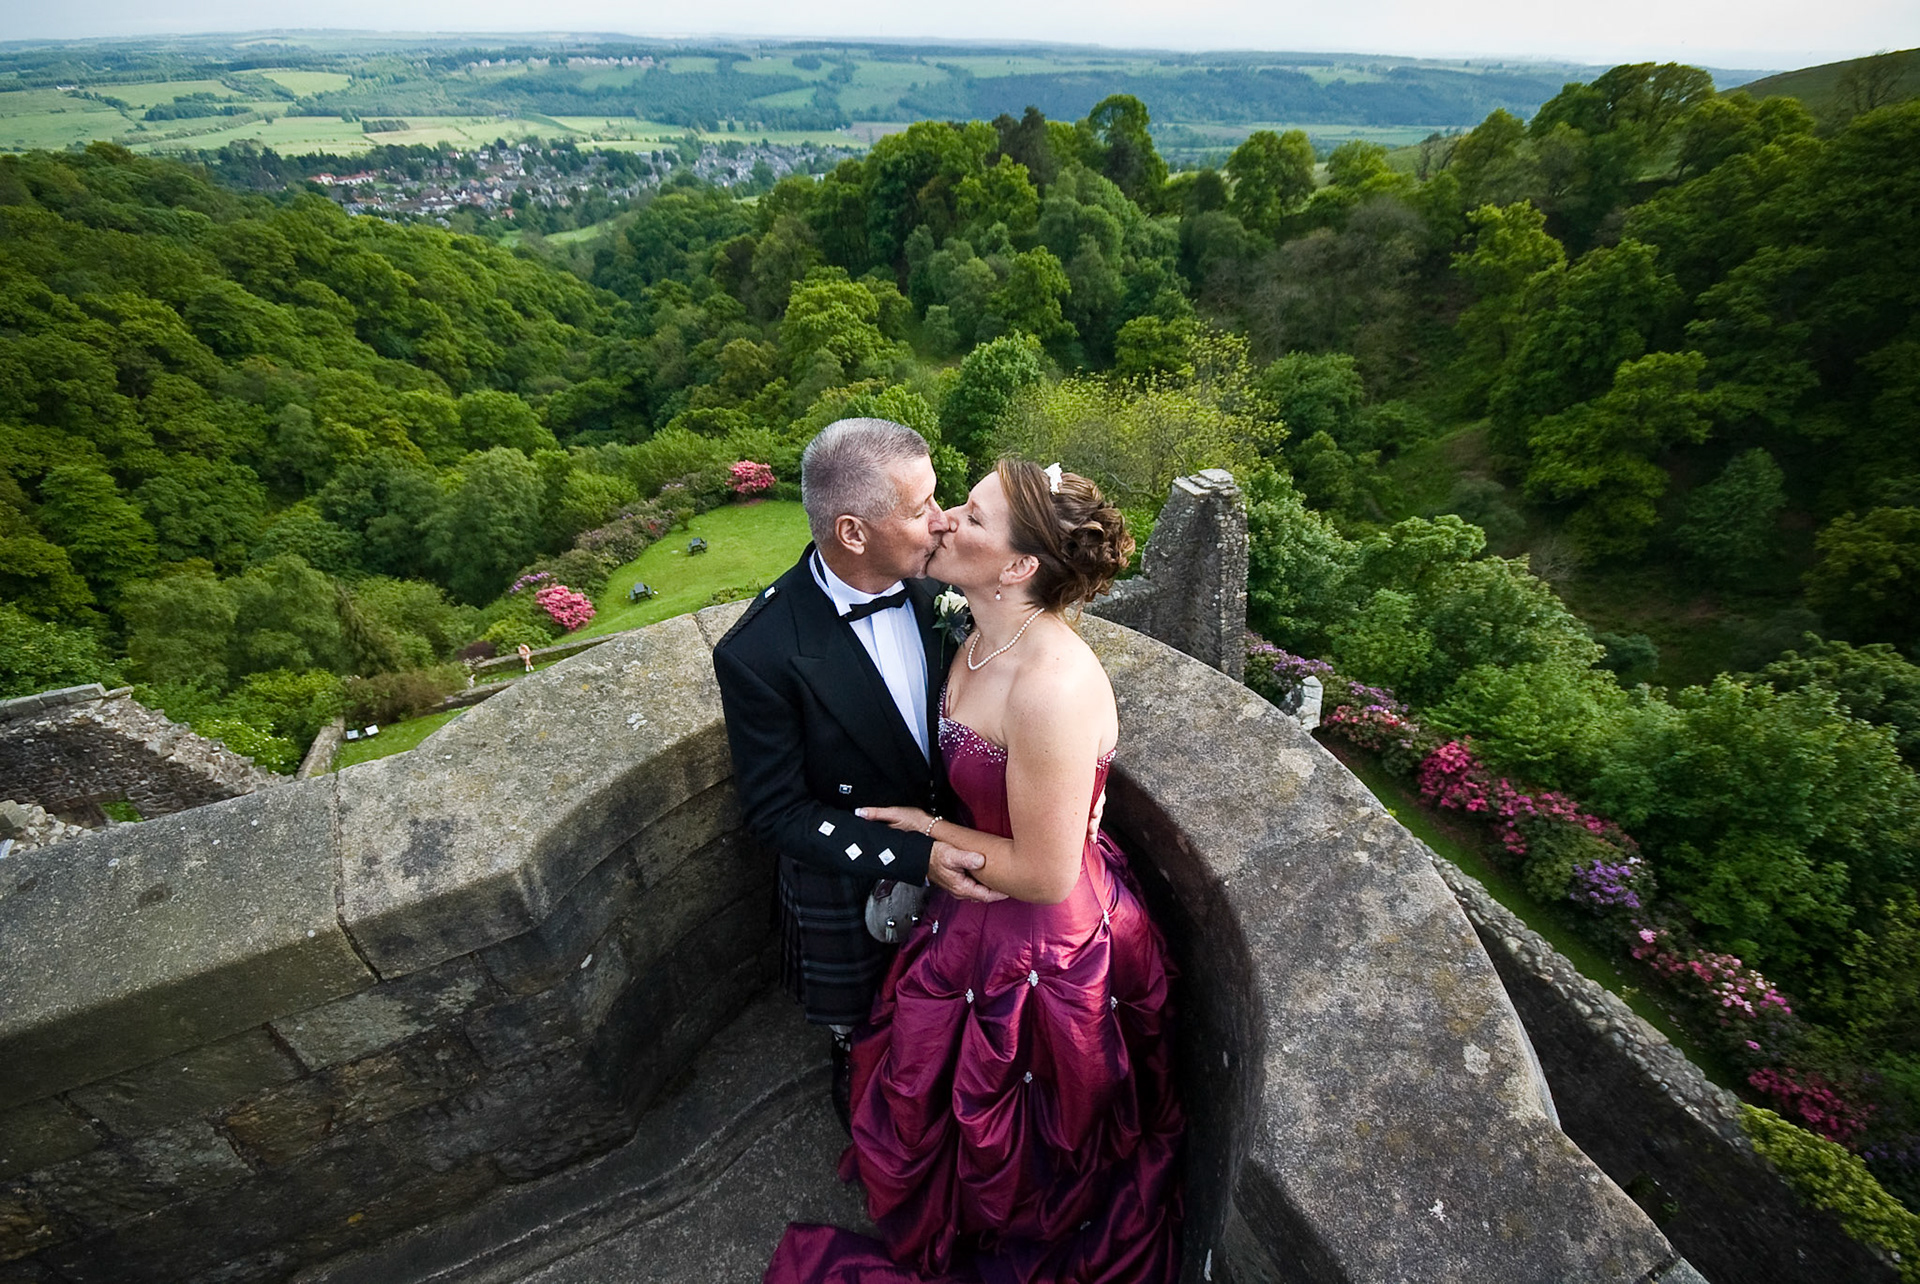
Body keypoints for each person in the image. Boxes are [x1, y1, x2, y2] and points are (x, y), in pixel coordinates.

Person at [764, 460, 1185, 1284]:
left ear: (1020, 567)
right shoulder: (971, 628)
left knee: (1017, 1129)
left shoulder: (1051, 688)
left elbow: (1046, 874)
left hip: (1036, 939)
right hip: (965, 909)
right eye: (958, 503)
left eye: (975, 518)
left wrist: (928, 828)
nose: (946, 521)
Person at [712, 418, 1004, 1129]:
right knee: (867, 1016)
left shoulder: (938, 589)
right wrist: (917, 857)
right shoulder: (760, 653)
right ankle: (861, 1070)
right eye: (918, 509)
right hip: (856, 869)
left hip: (958, 831)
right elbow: (776, 812)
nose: (942, 523)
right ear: (852, 533)